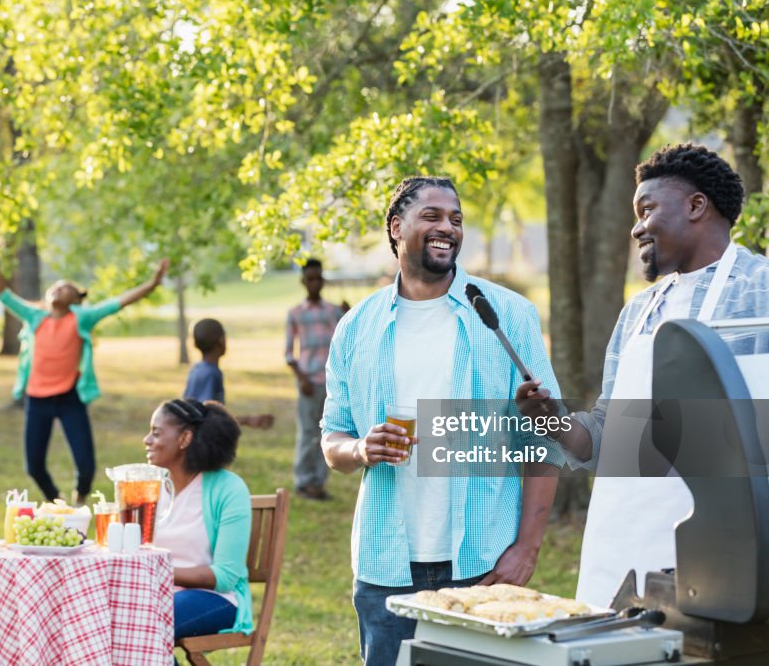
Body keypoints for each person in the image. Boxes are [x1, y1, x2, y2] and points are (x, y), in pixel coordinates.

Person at [516, 143, 769, 608]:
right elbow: (604, 436)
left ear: (696, 206)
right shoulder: (638, 311)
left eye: (647, 209)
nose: (636, 226)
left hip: (724, 542)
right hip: (620, 546)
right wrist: (552, 420)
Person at [321, 176, 565, 666]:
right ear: (396, 227)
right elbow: (333, 439)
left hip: (481, 561)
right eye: (431, 216)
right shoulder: (356, 327)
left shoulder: (507, 315)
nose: (447, 228)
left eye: (455, 219)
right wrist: (361, 449)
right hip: (384, 564)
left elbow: (548, 437)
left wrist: (527, 547)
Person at [0, 240, 168, 504]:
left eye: (66, 287)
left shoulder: (82, 317)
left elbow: (119, 302)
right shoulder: (36, 317)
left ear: (76, 299)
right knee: (33, 466)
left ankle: (79, 497)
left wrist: (152, 284)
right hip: (37, 399)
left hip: (69, 398)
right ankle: (56, 501)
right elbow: (3, 294)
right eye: (54, 287)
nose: (58, 289)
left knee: (87, 466)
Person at [144, 399, 253, 640]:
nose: (147, 440)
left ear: (185, 439)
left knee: (147, 622)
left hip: (214, 598)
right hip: (155, 593)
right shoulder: (149, 485)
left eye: (156, 433)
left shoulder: (228, 489)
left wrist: (161, 571)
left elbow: (225, 577)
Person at [285, 258, 347, 501]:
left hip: (330, 382)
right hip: (309, 382)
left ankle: (318, 482)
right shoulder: (296, 314)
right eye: (310, 279)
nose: (314, 283)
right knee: (308, 432)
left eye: (318, 278)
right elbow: (289, 354)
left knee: (328, 432)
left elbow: (345, 340)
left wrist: (348, 311)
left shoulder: (332, 311)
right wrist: (302, 379)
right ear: (303, 281)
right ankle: (303, 480)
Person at [184, 318, 273, 429]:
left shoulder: (197, 369)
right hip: (205, 443)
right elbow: (206, 418)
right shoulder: (211, 374)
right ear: (221, 341)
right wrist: (247, 420)